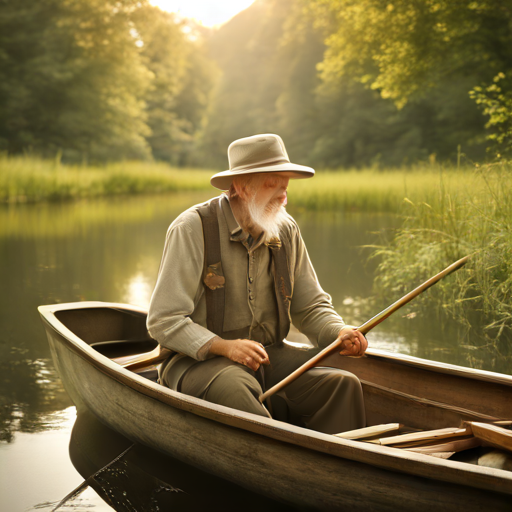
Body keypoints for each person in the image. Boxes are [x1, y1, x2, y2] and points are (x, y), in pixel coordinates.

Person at [147, 134, 367, 434]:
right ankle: (278, 470)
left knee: (343, 385)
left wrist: (338, 331)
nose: (283, 196)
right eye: (272, 184)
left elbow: (311, 306)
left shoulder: (286, 230)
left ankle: (336, 469)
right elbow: (163, 320)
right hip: (194, 364)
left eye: (285, 186)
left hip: (267, 357)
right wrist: (224, 347)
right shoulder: (192, 228)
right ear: (240, 186)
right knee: (237, 386)